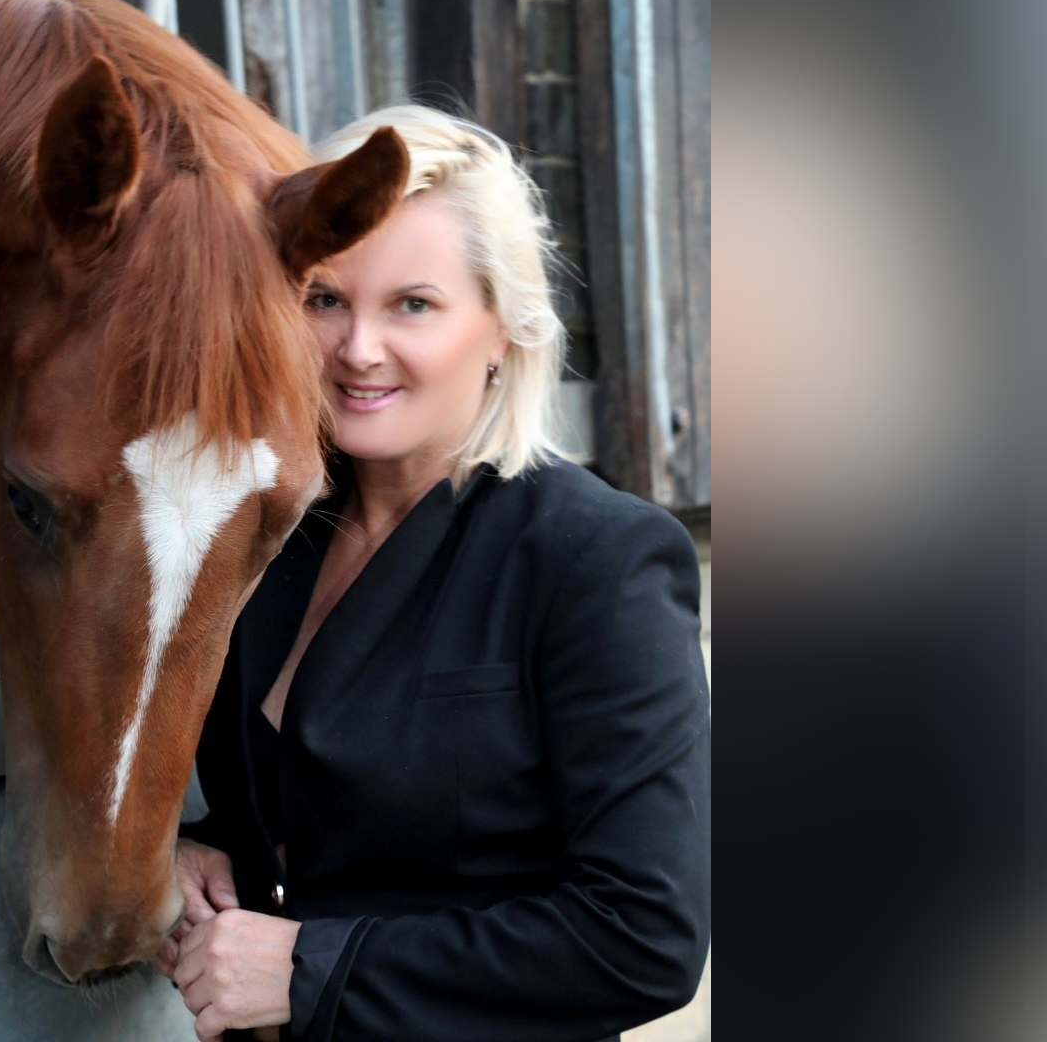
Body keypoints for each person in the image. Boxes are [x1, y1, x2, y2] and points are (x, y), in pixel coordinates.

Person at [153, 105, 712, 1042]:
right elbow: (284, 823)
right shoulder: (262, 535)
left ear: (503, 330)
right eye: (326, 299)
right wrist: (179, 854)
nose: (358, 349)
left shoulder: (594, 558)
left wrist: (308, 969)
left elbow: (642, 936)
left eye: (413, 304)